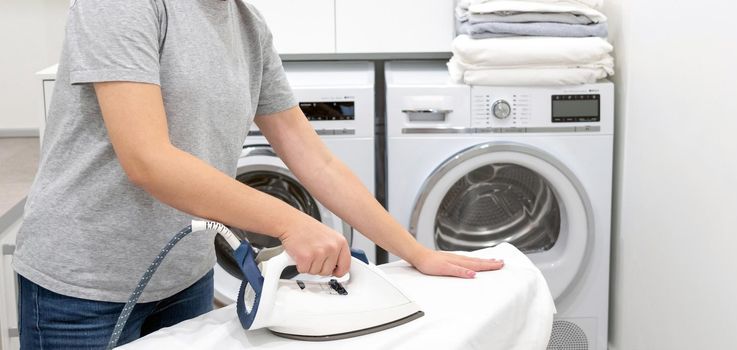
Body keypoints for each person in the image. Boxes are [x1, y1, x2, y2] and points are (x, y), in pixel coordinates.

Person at [12, 0, 504, 348]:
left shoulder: (246, 25)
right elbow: (148, 160)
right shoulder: (123, 6)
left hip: (185, 276)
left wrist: (415, 252)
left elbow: (317, 160)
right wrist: (291, 223)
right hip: (83, 284)